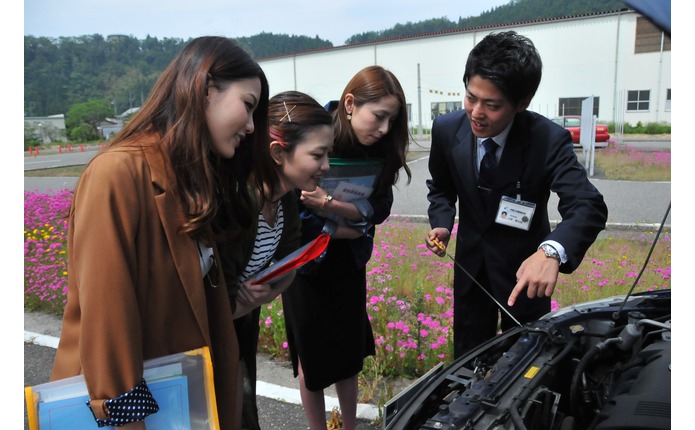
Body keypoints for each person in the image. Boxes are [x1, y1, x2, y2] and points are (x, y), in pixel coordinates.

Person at [50, 36, 270, 429]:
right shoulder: (117, 174)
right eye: (248, 106)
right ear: (204, 89)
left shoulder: (190, 180)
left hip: (183, 404)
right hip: (135, 415)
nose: (252, 127)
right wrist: (127, 418)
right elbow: (106, 317)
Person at [424, 30, 608, 358]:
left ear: (521, 103)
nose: (476, 113)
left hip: (525, 274)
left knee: (526, 362)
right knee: (468, 360)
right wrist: (441, 222)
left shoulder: (547, 140)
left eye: (492, 105)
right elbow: (441, 187)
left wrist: (551, 252)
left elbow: (587, 204)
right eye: (470, 97)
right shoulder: (446, 129)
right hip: (470, 270)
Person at [281, 65, 412, 430]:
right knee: (311, 355)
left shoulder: (382, 149)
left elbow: (379, 209)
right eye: (379, 116)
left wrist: (330, 206)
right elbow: (294, 211)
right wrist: (348, 227)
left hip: (347, 266)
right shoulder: (313, 134)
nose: (384, 128)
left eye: (392, 120)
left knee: (348, 353)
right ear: (350, 104)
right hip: (305, 265)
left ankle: (349, 426)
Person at [217, 90, 334, 430]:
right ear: (278, 152)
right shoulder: (237, 204)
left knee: (242, 410)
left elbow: (291, 260)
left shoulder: (284, 200)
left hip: (239, 327)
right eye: (318, 155)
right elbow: (210, 304)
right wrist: (244, 302)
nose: (326, 166)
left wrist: (264, 294)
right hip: (211, 336)